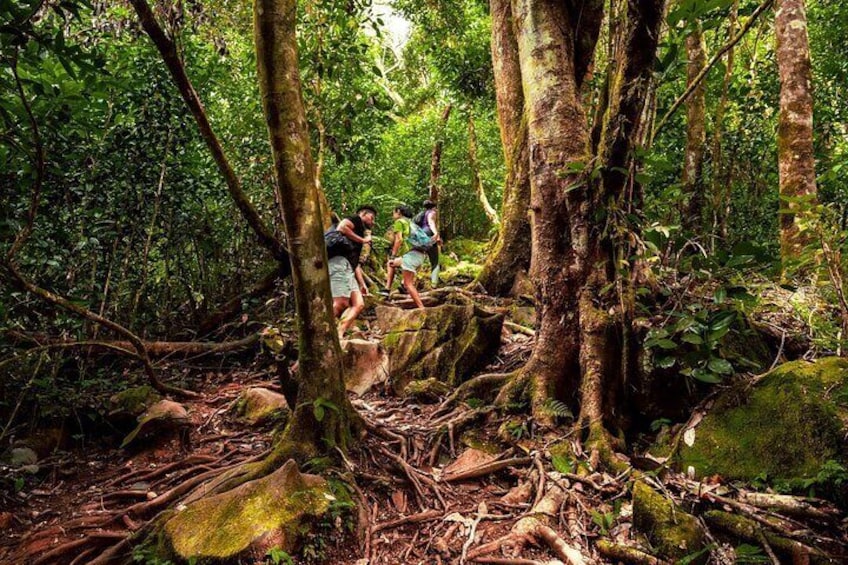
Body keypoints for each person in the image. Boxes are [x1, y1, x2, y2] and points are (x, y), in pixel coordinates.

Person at [325, 205, 376, 338]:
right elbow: (342, 227)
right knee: (341, 303)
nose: (373, 221)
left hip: (348, 268)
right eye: (372, 217)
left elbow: (355, 263)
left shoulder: (356, 235)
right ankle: (321, 332)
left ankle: (339, 333)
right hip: (338, 264)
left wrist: (362, 284)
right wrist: (363, 240)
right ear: (363, 214)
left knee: (358, 304)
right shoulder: (355, 219)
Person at [382, 205, 413, 296]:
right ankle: (404, 284)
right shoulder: (410, 222)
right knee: (407, 267)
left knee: (390, 264)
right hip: (413, 250)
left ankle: (387, 289)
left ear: (398, 212)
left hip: (403, 249)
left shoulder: (399, 222)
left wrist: (393, 254)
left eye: (394, 212)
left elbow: (399, 239)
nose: (393, 215)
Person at [413, 200, 442, 285]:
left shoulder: (422, 214)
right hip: (429, 235)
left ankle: (405, 282)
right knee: (435, 261)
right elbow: (431, 223)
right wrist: (436, 234)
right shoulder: (432, 212)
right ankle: (434, 283)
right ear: (433, 207)